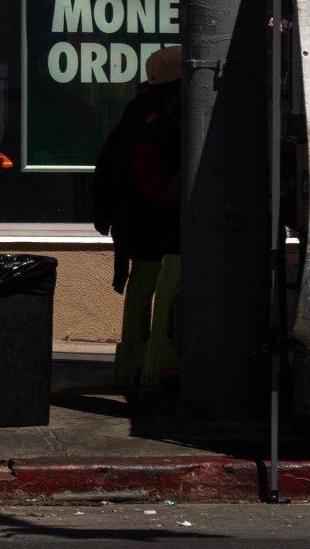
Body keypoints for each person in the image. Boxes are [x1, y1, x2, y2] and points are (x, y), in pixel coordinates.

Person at [92, 43, 183, 405]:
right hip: (154, 234)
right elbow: (161, 196)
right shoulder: (148, 132)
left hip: (144, 231)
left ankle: (139, 365)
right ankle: (158, 367)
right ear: (173, 93)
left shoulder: (147, 120)